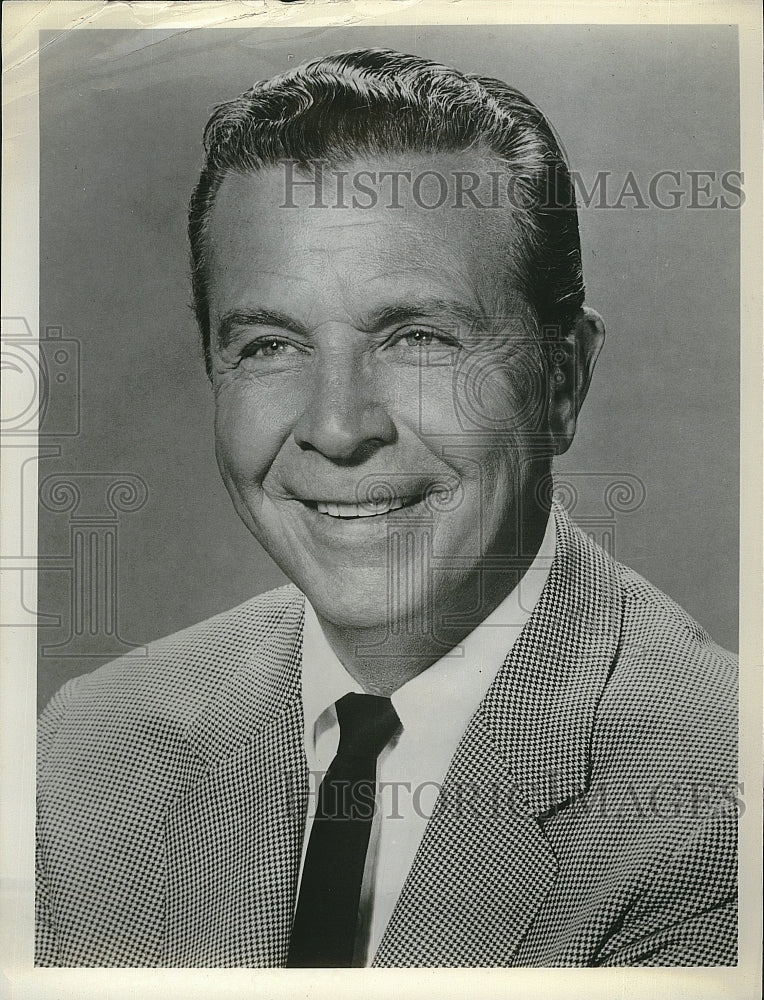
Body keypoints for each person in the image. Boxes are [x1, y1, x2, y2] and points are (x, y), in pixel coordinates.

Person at [35, 48, 737, 968]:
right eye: (270, 346)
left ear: (561, 383)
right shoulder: (93, 753)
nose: (337, 428)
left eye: (418, 337)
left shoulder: (713, 805)